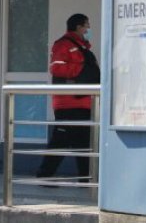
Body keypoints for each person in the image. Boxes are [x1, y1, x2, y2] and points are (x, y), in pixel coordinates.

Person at [36, 13, 100, 183]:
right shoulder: (63, 44)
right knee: (62, 140)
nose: (89, 28)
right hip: (68, 102)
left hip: (83, 101)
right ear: (79, 27)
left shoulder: (83, 47)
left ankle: (85, 178)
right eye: (87, 25)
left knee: (83, 141)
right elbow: (56, 68)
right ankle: (45, 175)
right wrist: (81, 70)